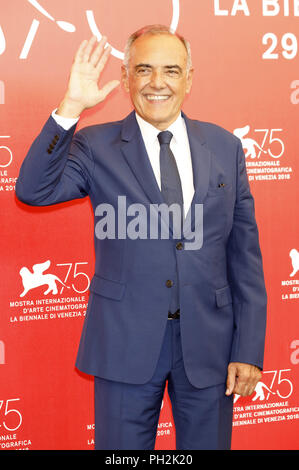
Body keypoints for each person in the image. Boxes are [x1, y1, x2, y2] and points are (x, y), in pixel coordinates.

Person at [15, 25, 267, 450]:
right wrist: (70, 107)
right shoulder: (96, 145)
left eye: (171, 70)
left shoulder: (225, 147)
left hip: (209, 346)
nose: (157, 83)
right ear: (126, 76)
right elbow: (33, 190)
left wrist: (249, 348)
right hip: (124, 342)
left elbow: (245, 256)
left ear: (189, 78)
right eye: (144, 69)